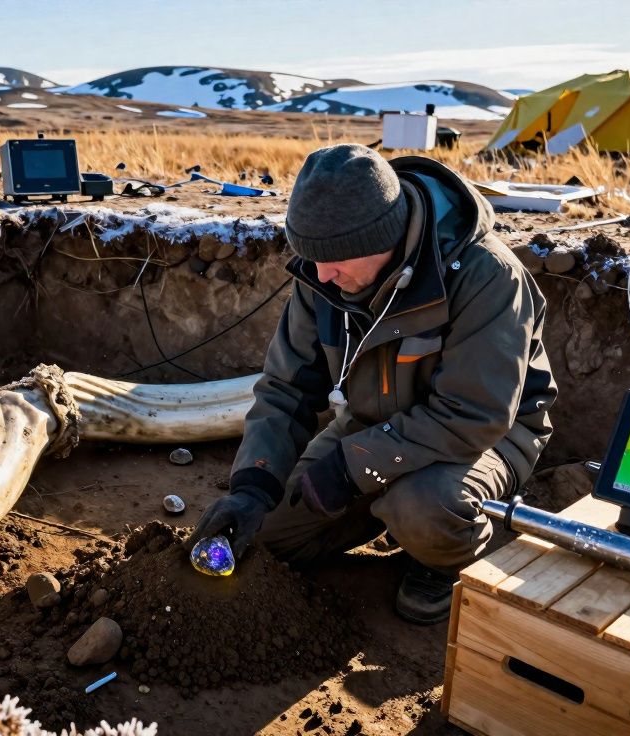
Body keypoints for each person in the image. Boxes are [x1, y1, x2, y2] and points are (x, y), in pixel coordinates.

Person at [188, 144, 557, 624]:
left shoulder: (487, 276)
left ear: (384, 235)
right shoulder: (325, 272)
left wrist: (350, 469)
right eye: (312, 258)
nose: (321, 275)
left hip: (486, 437)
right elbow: (286, 389)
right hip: (371, 423)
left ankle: (445, 559)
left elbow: (475, 413)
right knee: (268, 534)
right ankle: (377, 503)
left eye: (336, 260)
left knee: (421, 505)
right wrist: (252, 486)